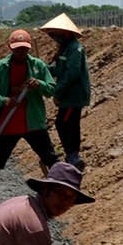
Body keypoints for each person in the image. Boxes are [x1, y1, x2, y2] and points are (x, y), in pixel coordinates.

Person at [0, 28, 57, 205]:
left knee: (51, 159)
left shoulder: (38, 66)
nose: (21, 52)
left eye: (24, 48)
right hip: (8, 124)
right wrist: (4, 100)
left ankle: (63, 194)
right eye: (17, 48)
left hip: (34, 122)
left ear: (29, 48)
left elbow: (51, 90)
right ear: (10, 48)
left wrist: (40, 84)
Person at [42, 13, 90, 168]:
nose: (54, 37)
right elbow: (60, 69)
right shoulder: (65, 48)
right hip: (68, 94)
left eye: (56, 33)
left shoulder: (75, 49)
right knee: (67, 123)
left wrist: (57, 92)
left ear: (66, 33)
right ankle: (72, 155)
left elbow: (71, 74)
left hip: (73, 95)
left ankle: (73, 156)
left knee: (64, 123)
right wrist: (44, 69)